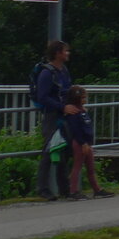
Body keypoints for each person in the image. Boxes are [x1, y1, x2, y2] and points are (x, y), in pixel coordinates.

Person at [34, 40, 80, 200]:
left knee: (64, 150)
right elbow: (43, 97)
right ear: (58, 53)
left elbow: (67, 91)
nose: (68, 53)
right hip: (53, 116)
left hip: (64, 115)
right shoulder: (47, 73)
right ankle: (42, 188)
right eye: (65, 51)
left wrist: (76, 104)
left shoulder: (63, 70)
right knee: (49, 151)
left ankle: (64, 189)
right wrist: (62, 107)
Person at [62, 85, 114, 200]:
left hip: (87, 142)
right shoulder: (74, 113)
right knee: (77, 166)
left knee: (91, 168)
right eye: (82, 98)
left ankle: (97, 190)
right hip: (80, 143)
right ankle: (73, 191)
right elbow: (76, 130)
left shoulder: (82, 111)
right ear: (76, 99)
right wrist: (83, 143)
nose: (85, 100)